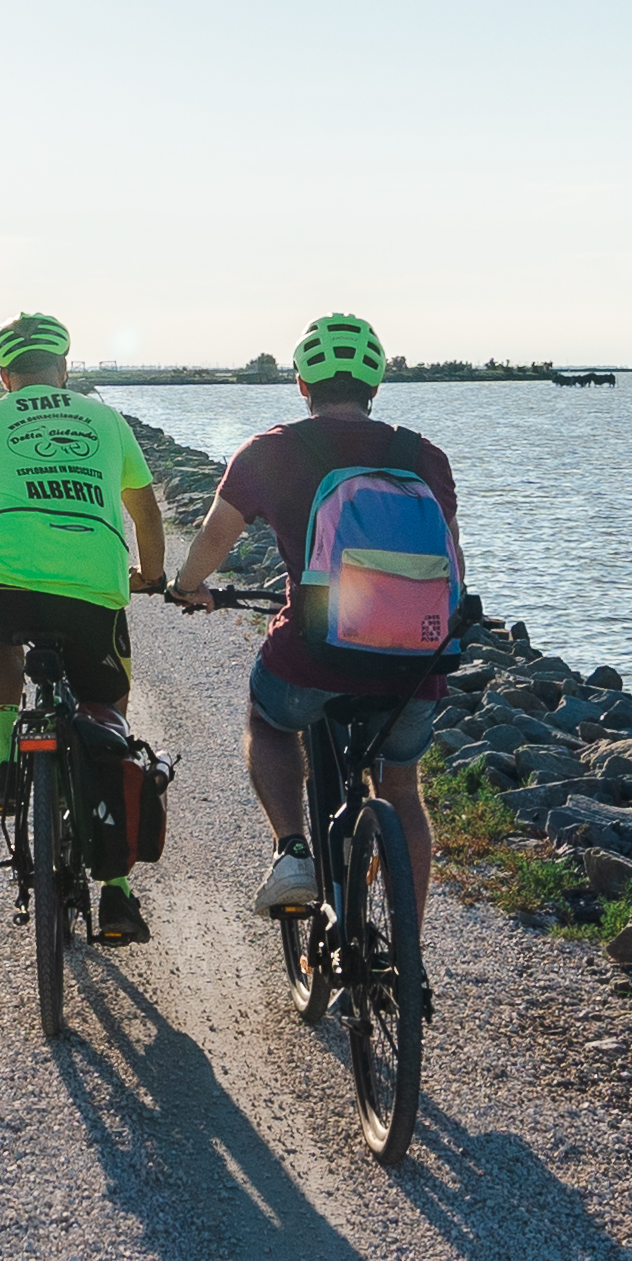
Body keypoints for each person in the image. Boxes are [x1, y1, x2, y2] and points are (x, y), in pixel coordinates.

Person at [164, 311, 463, 924]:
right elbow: (454, 562)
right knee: (400, 787)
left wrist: (186, 587)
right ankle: (408, 952)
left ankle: (292, 850)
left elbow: (215, 536)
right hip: (415, 664)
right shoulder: (424, 456)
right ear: (376, 385)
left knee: (269, 719)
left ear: (302, 384)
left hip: (316, 654)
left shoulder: (271, 451)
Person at [0, 309, 169, 946]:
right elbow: (144, 508)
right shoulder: (104, 418)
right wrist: (151, 574)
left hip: (5, 587)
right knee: (108, 716)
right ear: (64, 368)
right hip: (93, 589)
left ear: (4, 375)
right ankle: (118, 894)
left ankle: (4, 758)